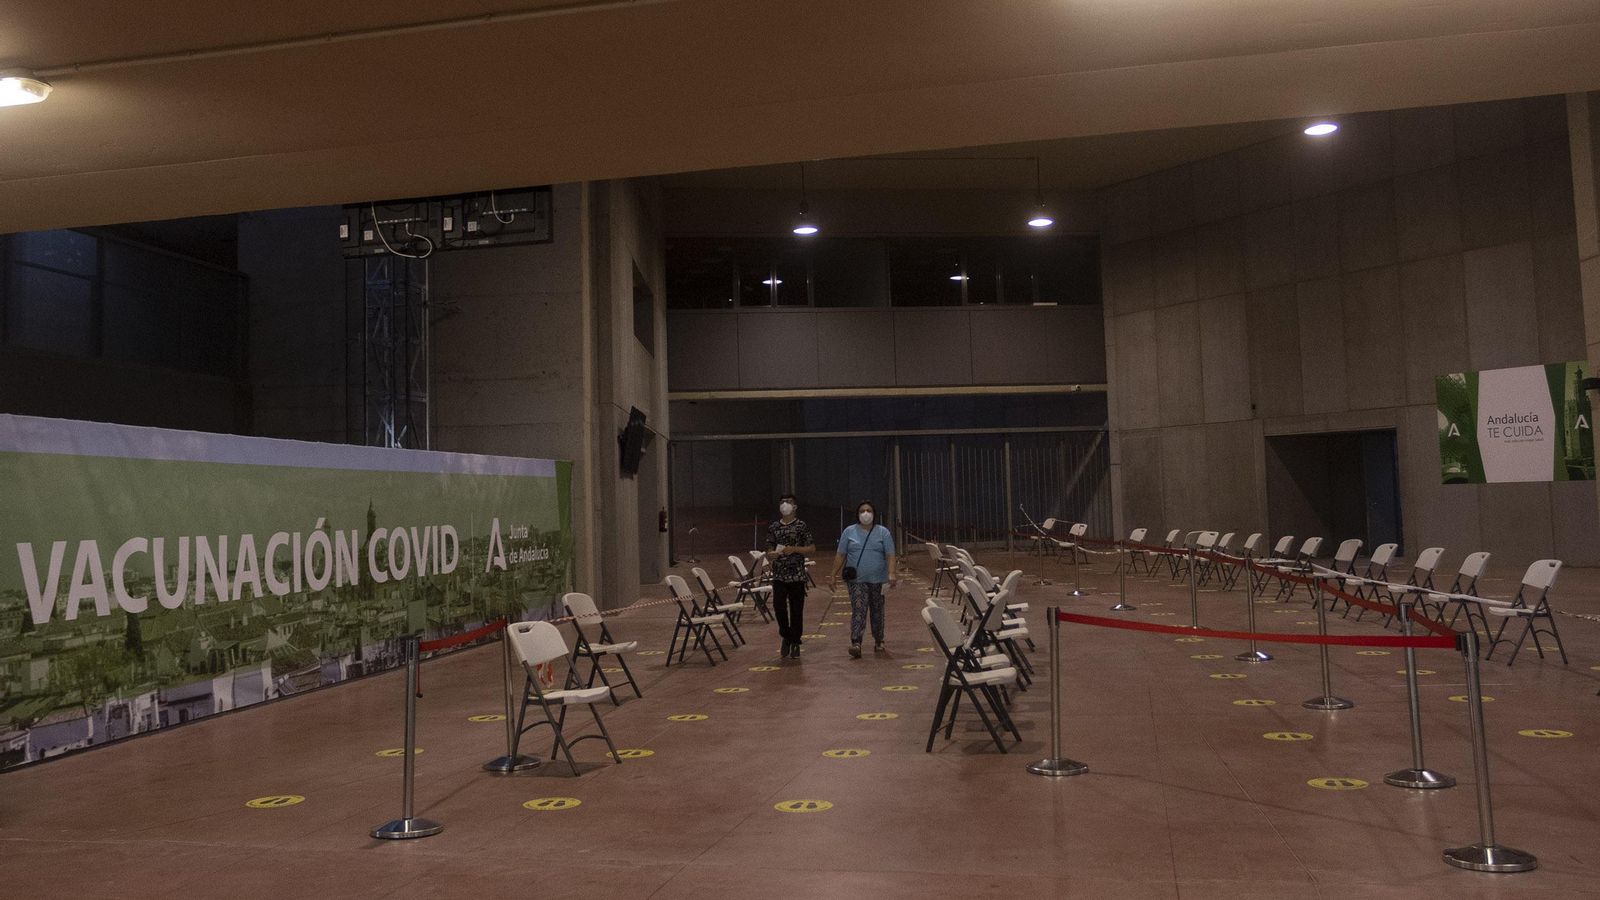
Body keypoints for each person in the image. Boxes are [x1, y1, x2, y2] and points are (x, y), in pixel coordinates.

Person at [828, 500, 897, 658]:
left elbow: (890, 554)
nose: (866, 514)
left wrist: (891, 573)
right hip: (856, 580)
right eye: (862, 511)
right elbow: (841, 555)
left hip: (878, 580)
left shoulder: (883, 532)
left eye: (869, 510)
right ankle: (856, 642)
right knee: (859, 609)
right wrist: (832, 575)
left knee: (877, 611)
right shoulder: (849, 532)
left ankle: (879, 639)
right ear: (857, 514)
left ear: (874, 513)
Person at [765, 494, 815, 660]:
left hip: (797, 575)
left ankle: (795, 641)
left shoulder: (801, 526)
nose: (785, 505)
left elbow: (811, 548)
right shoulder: (773, 527)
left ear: (795, 507)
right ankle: (785, 635)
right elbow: (769, 548)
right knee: (779, 607)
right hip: (779, 575)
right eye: (782, 502)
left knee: (796, 610)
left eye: (788, 502)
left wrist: (794, 549)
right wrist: (771, 555)